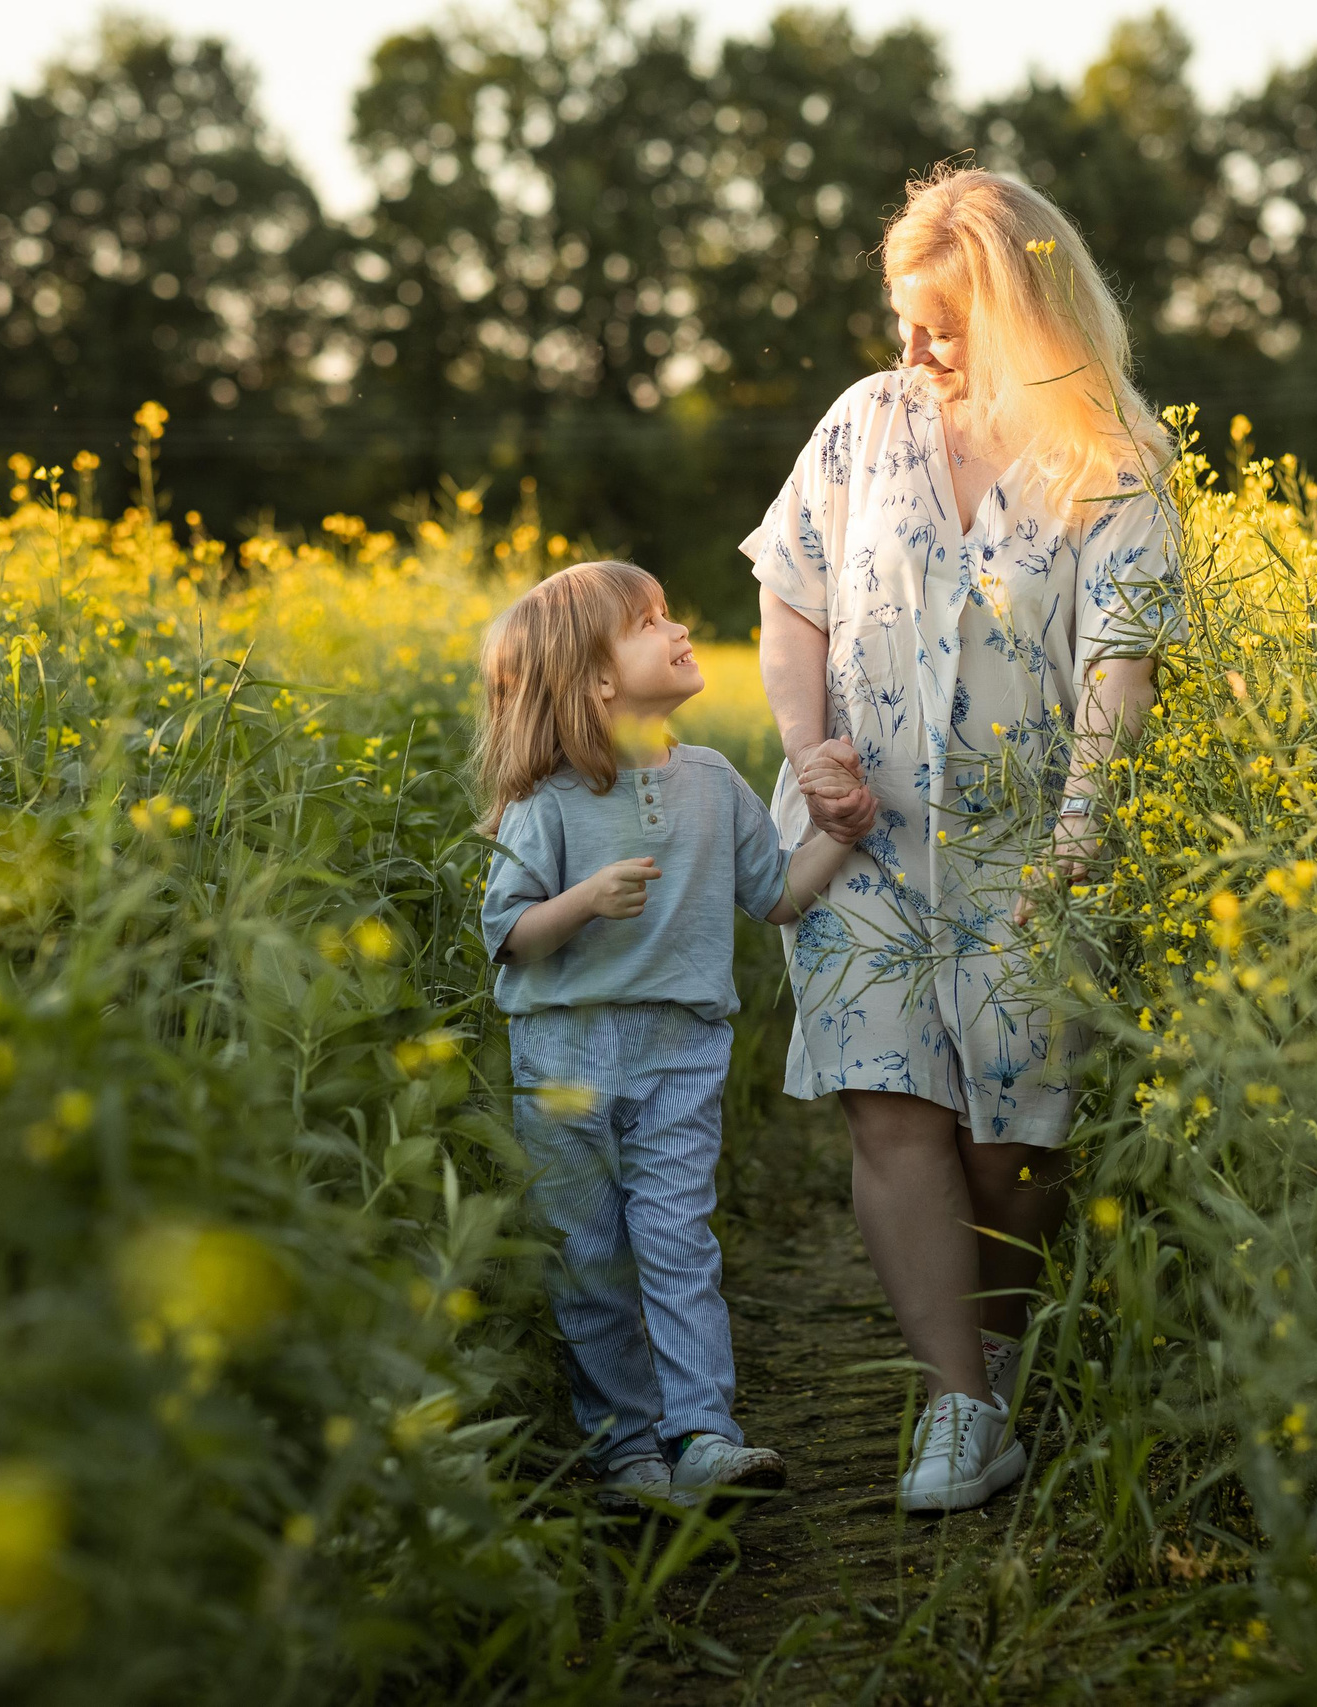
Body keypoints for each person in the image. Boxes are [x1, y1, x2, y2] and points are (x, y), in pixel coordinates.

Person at [742, 166, 1178, 1511]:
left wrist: (1084, 824)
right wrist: (806, 744)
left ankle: (991, 1342)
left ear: (1025, 308)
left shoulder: (1108, 456)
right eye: (903, 318)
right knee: (894, 1110)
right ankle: (956, 1401)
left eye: (944, 324)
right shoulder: (861, 424)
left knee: (1018, 1135)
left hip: (1031, 842)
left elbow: (1124, 656)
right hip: (855, 829)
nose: (912, 350)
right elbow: (789, 598)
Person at [477, 558, 875, 1509]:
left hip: (683, 1053)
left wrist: (847, 831)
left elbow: (775, 894)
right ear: (599, 681)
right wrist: (580, 900)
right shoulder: (549, 798)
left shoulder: (710, 779)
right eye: (650, 620)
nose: (679, 626)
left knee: (674, 1238)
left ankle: (702, 1432)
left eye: (668, 610)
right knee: (589, 1256)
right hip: (565, 1057)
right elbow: (509, 936)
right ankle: (625, 1450)